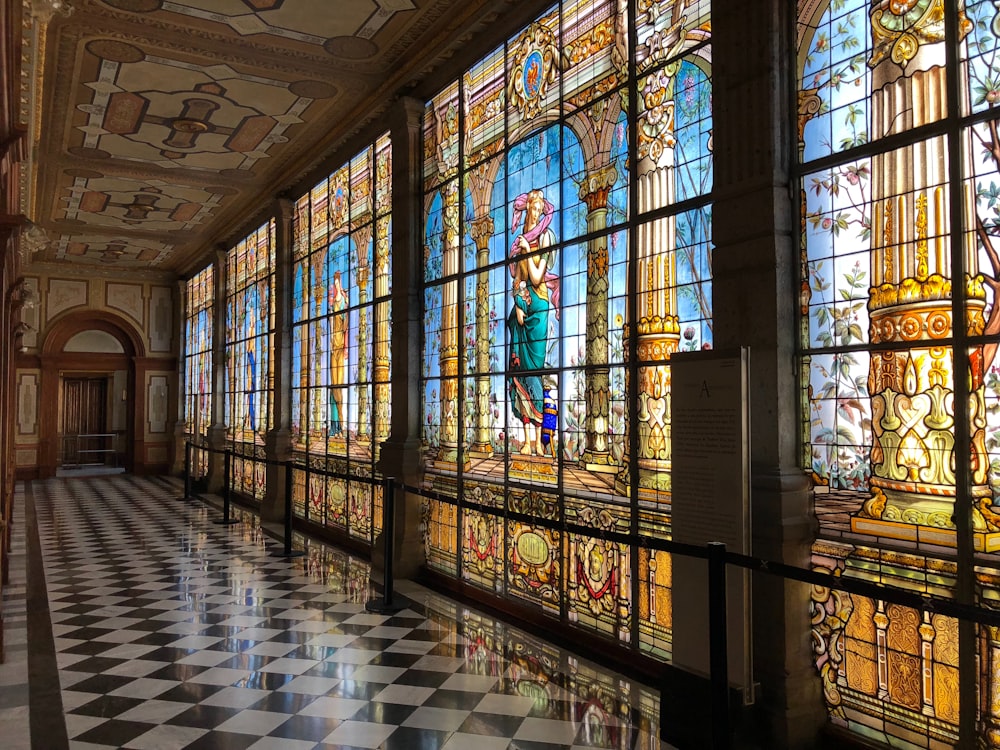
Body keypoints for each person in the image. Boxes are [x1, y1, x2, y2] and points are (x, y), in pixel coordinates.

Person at [508, 189, 558, 456]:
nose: (535, 211)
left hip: (539, 309)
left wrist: (528, 251)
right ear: (527, 208)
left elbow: (538, 278)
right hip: (523, 309)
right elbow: (519, 281)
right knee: (519, 376)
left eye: (539, 208)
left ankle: (540, 441)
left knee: (534, 374)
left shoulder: (545, 238)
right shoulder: (520, 241)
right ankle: (527, 440)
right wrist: (516, 302)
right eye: (531, 207)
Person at [329, 270, 348, 437]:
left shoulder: (342, 303)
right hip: (333, 348)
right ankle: (335, 427)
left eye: (337, 283)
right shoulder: (333, 305)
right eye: (334, 283)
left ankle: (340, 426)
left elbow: (345, 323)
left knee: (338, 387)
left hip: (340, 348)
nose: (335, 286)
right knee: (333, 388)